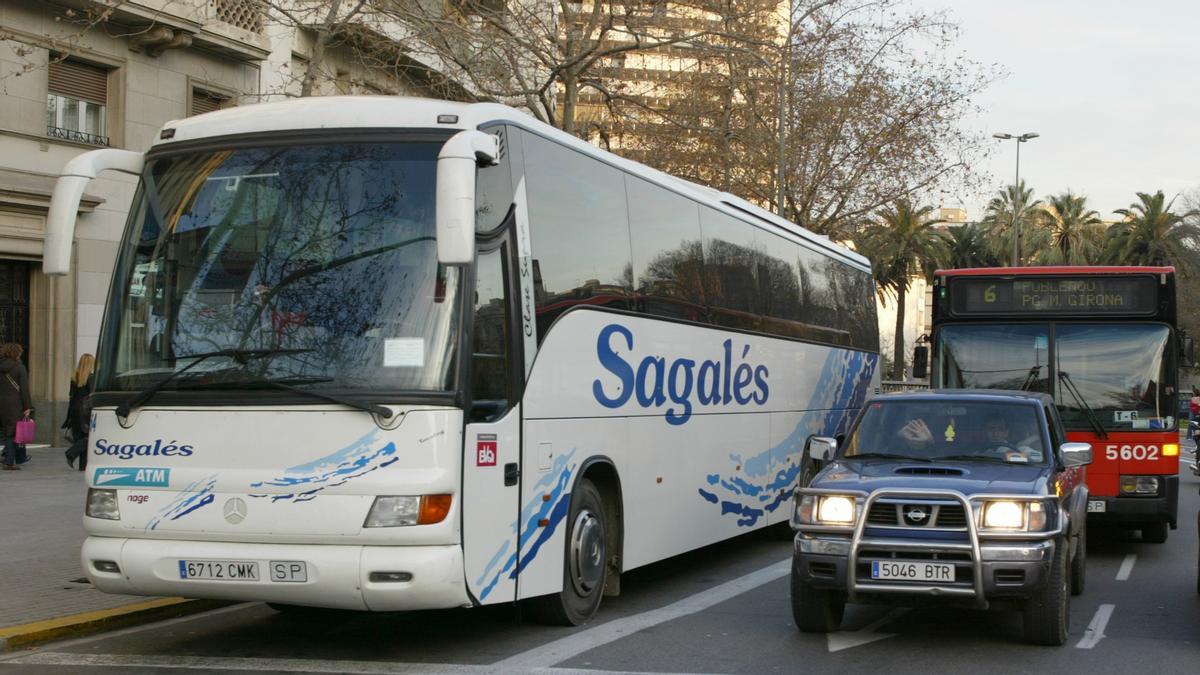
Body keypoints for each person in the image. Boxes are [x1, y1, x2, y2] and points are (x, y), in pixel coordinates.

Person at [0, 342, 33, 470]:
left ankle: (11, 458)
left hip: (2, 403)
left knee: (7, 431)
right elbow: (24, 389)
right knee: (12, 432)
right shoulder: (20, 367)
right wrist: (27, 406)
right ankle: (9, 462)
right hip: (15, 404)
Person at [63, 353, 95, 471]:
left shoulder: (74, 378)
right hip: (86, 411)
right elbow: (92, 396)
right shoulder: (91, 378)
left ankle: (83, 466)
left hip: (75, 411)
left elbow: (71, 396)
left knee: (81, 437)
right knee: (89, 437)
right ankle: (71, 453)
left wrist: (69, 416)